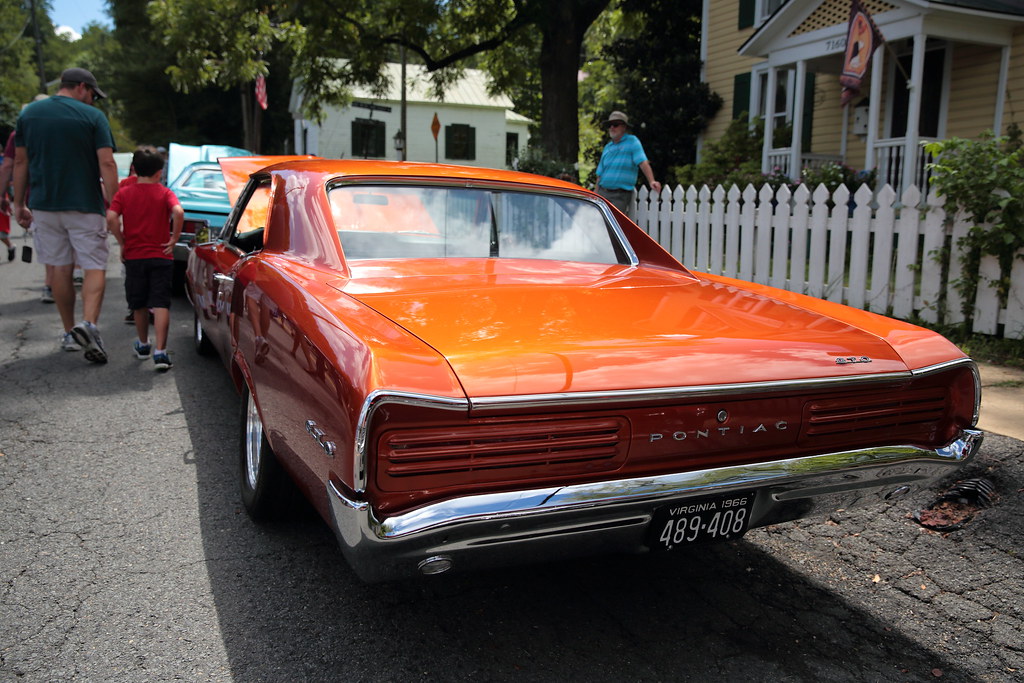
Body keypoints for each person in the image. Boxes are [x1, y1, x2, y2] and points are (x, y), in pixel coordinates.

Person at [13, 68, 119, 362]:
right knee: (94, 266)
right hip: (84, 205)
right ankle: (90, 326)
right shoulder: (92, 117)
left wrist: (18, 203)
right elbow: (107, 164)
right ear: (82, 88)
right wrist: (115, 205)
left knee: (59, 267)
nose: (93, 101)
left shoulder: (29, 114)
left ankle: (70, 332)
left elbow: (20, 161)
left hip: (44, 205)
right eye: (93, 96)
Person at [106, 146, 183, 371]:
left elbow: (111, 217)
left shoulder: (124, 193)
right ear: (159, 172)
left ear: (134, 169)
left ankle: (143, 345)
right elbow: (178, 212)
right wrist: (173, 238)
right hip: (161, 255)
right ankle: (160, 351)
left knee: (138, 303)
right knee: (160, 303)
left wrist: (122, 242)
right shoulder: (164, 192)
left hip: (135, 256)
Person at [595, 110, 662, 217]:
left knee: (614, 225)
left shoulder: (632, 141)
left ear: (624, 127)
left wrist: (651, 181)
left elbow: (643, 162)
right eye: (610, 125)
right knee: (599, 223)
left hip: (620, 194)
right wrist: (596, 194)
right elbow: (599, 175)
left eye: (615, 124)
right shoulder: (607, 147)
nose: (612, 127)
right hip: (603, 193)